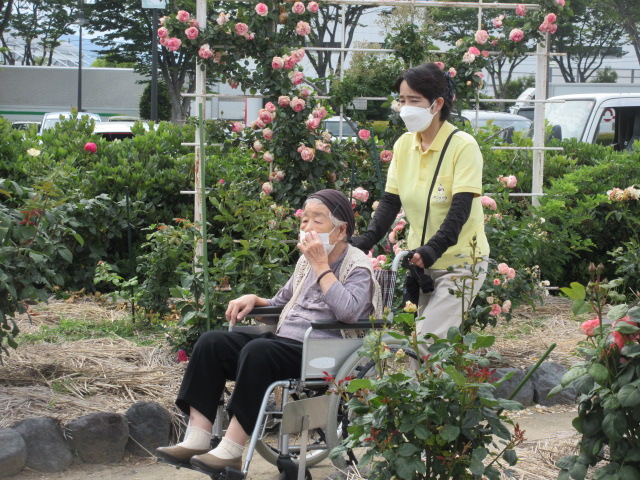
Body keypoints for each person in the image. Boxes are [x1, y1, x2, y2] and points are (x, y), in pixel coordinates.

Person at [156, 189, 382, 473]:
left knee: (259, 351)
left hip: (322, 351)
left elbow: (349, 312)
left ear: (341, 230)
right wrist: (254, 299)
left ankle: (231, 449)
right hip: (285, 342)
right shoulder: (305, 262)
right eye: (304, 221)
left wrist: (322, 267)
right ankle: (198, 437)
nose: (308, 228)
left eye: (317, 221)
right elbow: (280, 303)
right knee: (211, 342)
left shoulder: (357, 264)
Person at [351, 62, 489, 339]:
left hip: (461, 263)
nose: (405, 107)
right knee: (419, 344)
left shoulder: (463, 146)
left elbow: (460, 210)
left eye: (414, 100)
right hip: (421, 264)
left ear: (437, 104)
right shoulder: (404, 144)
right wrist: (364, 241)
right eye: (402, 100)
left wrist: (432, 249)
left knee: (426, 340)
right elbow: (390, 202)